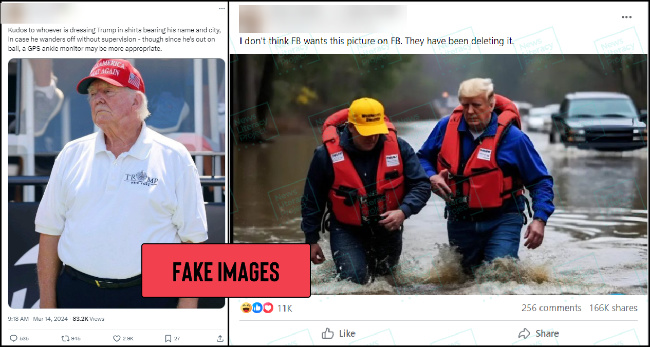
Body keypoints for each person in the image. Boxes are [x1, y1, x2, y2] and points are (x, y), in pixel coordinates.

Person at [35, 59, 208, 308]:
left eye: (108, 91)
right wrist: (47, 309)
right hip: (76, 294)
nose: (97, 99)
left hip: (151, 297)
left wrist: (185, 314)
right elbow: (50, 233)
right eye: (93, 94)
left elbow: (192, 241)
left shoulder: (174, 156)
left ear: (136, 101)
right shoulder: (71, 154)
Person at [417, 78, 554, 275]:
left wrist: (539, 219)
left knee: (499, 276)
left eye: (476, 105)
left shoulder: (514, 139)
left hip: (504, 218)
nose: (470, 111)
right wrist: (431, 176)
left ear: (491, 104)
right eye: (465, 105)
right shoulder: (446, 127)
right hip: (460, 219)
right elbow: (422, 159)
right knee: (464, 281)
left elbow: (540, 181)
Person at [301, 97, 431, 285]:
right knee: (354, 282)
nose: (372, 137)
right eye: (366, 132)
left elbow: (421, 184)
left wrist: (404, 211)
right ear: (351, 127)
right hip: (347, 229)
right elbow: (312, 199)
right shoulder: (325, 155)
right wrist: (311, 240)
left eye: (376, 132)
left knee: (386, 283)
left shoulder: (399, 147)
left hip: (387, 228)